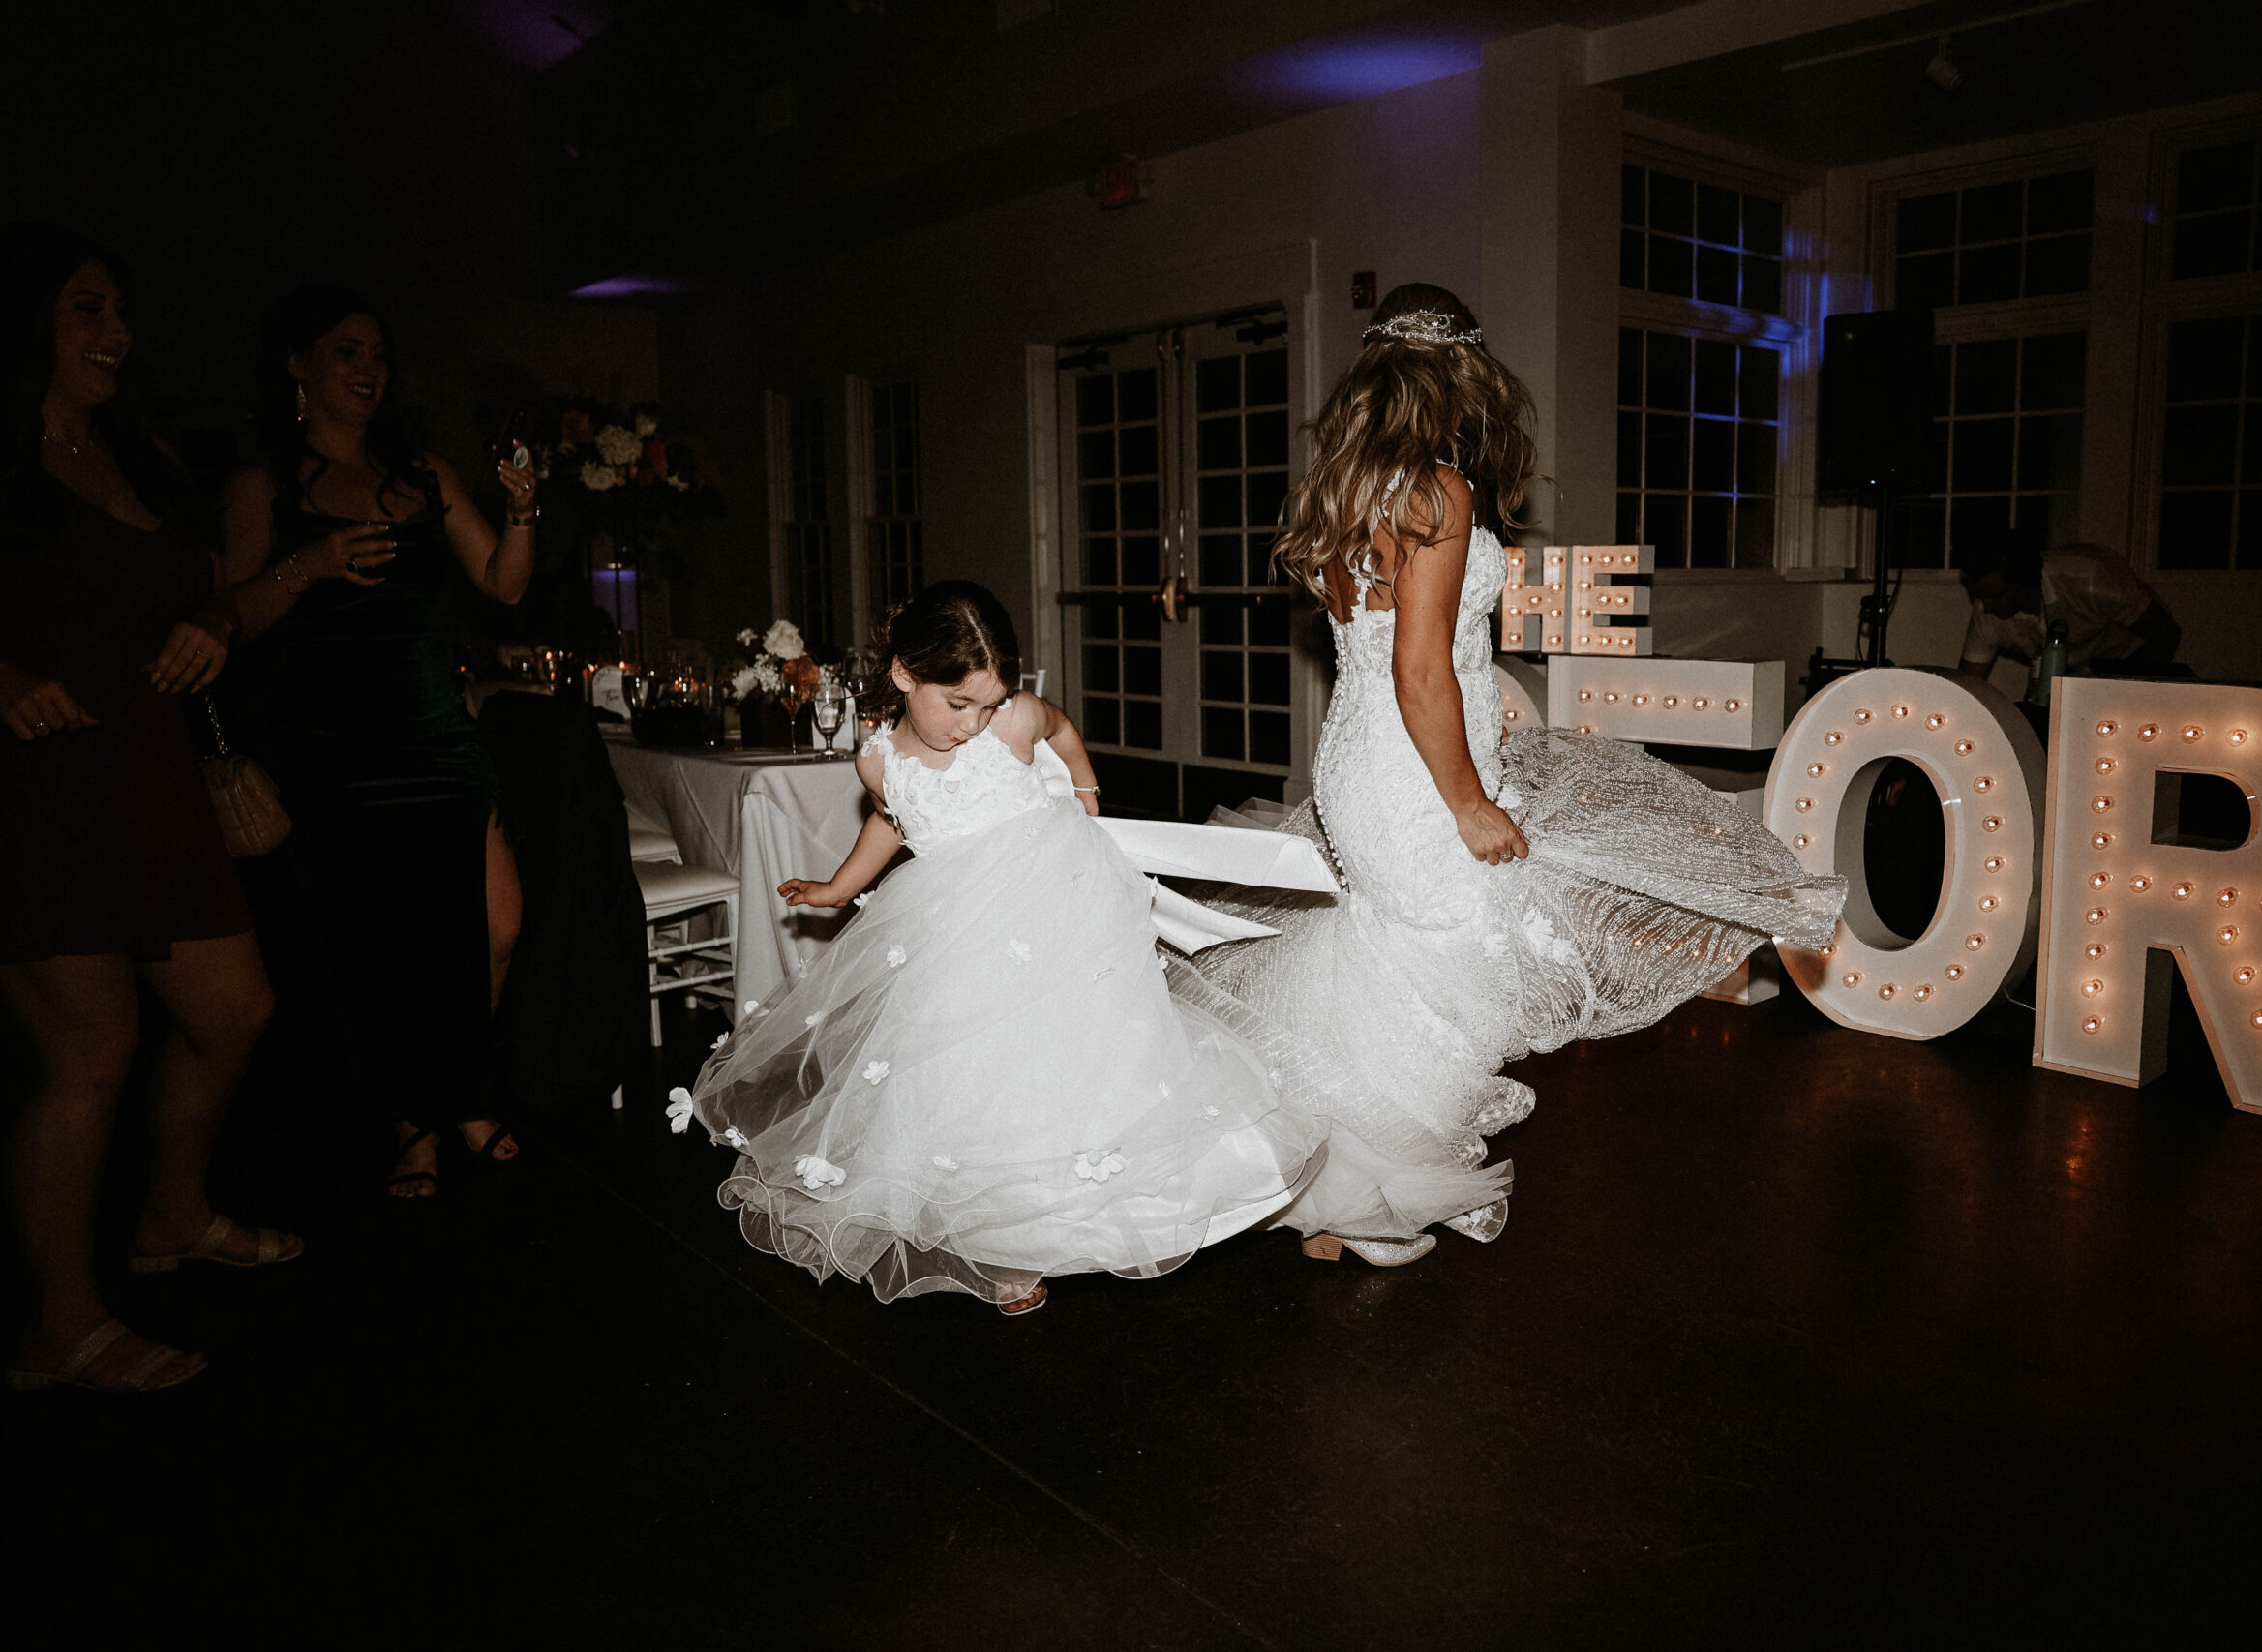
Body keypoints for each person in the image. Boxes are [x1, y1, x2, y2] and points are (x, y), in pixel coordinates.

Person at [1186, 284, 1843, 1264]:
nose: (1478, 410)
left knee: (1399, 973)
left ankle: (1338, 1198)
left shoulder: (1348, 489)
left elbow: (1394, 653)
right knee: (1454, 980)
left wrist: (1471, 684)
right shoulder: (1436, 493)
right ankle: (1365, 1205)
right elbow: (1415, 668)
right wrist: (1466, 800)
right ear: (1453, 380)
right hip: (1415, 770)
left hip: (1364, 749)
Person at [681, 582, 1323, 1316]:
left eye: (987, 706)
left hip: (1056, 911)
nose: (972, 724)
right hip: (953, 935)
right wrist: (836, 886)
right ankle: (1007, 1239)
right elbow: (892, 825)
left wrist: (1086, 793)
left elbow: (1061, 729)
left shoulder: (1011, 723)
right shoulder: (878, 761)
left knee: (1072, 1064)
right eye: (958, 705)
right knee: (973, 1079)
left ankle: (1104, 1202)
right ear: (902, 674)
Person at [0, 225, 296, 1394]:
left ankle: (171, 1216)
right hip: (35, 785)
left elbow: (211, 598)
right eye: (86, 310)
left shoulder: (137, 453)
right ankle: (60, 1328)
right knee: (90, 1050)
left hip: (152, 775)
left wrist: (212, 626)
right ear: (29, 325)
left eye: (121, 312)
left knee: (235, 1009)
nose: (115, 334)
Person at [218, 285, 536, 1196]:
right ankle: (411, 1119)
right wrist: (308, 563)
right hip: (337, 756)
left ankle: (460, 1085)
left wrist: (520, 511)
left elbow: (504, 585)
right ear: (298, 365)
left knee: (496, 925)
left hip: (440, 736)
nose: (366, 372)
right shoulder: (264, 488)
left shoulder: (423, 473)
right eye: (345, 353)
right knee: (383, 955)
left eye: (377, 356)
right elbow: (228, 617)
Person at [1957, 532, 2181, 680]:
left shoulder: (2091, 578)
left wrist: (2136, 684)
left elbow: (2164, 631)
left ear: (2025, 581)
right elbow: (1969, 684)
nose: (1986, 606)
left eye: (1996, 596)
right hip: (2072, 677)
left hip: (2131, 660)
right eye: (1980, 597)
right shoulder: (1985, 613)